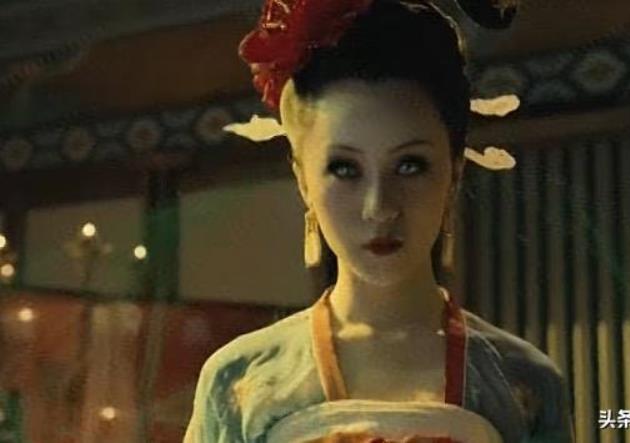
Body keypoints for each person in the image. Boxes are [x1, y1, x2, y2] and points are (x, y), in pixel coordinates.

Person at [184, 0, 574, 441]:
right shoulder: (241, 379)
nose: (379, 207)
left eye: (410, 165)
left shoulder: (524, 380)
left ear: (453, 173)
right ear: (304, 180)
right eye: (344, 169)